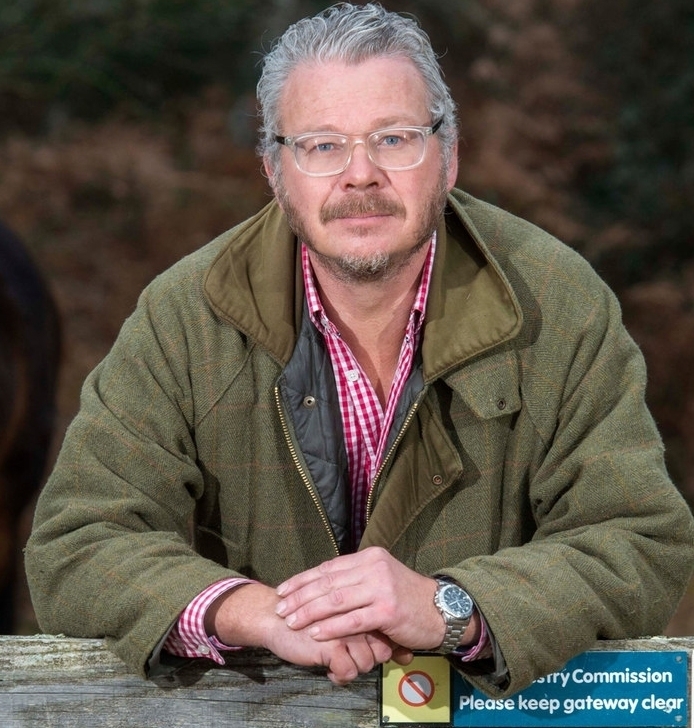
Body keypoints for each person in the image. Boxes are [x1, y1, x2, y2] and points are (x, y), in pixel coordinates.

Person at [25, 2, 694, 699]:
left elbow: (638, 540)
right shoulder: (185, 315)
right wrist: (261, 612)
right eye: (322, 145)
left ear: (450, 154)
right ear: (274, 170)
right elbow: (78, 545)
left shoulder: (559, 301)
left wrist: (447, 607)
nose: (361, 174)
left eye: (395, 138)